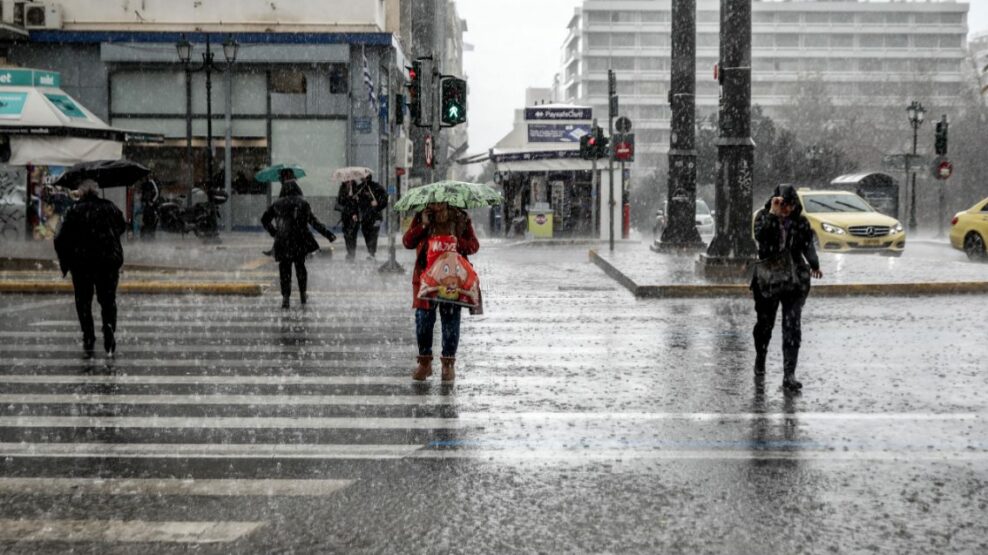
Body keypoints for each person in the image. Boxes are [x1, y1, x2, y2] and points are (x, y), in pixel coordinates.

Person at [751, 184, 823, 391]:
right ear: (775, 201)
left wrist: (814, 264)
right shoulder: (764, 217)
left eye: (791, 205)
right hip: (768, 279)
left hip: (794, 280)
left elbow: (808, 244)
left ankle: (789, 374)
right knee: (765, 324)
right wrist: (773, 215)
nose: (787, 209)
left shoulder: (800, 222)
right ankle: (760, 357)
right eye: (783, 204)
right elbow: (761, 238)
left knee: (792, 326)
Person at [403, 202, 479, 382]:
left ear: (447, 201)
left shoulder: (460, 218)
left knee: (450, 320)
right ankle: (425, 363)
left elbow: (474, 246)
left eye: (441, 202)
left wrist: (456, 241)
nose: (437, 205)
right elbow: (407, 242)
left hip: (452, 278)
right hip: (425, 278)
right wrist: (423, 225)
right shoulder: (423, 215)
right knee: (423, 320)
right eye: (434, 202)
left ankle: (448, 364)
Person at [54, 180, 127, 357]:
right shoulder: (109, 207)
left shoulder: (73, 211)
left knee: (83, 301)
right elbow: (122, 226)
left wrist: (66, 262)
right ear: (95, 191)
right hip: (107, 263)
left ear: (81, 192)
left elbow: (60, 239)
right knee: (108, 300)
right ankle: (109, 326)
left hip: (81, 264)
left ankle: (88, 334)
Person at [261, 171, 336, 309]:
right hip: (299, 241)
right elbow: (314, 222)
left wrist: (275, 233)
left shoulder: (277, 204)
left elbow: (264, 220)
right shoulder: (303, 203)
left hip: (283, 241)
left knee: (285, 270)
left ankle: (285, 298)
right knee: (300, 268)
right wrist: (328, 235)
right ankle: (302, 294)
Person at [357, 173, 387, 260]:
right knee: (366, 233)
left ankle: (372, 252)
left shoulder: (376, 187)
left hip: (375, 216)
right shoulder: (360, 188)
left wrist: (378, 204)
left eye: (365, 177)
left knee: (373, 234)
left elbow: (385, 198)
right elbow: (357, 203)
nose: (363, 179)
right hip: (365, 216)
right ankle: (370, 250)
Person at [336, 179, 361, 261]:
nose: (348, 182)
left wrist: (356, 198)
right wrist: (347, 197)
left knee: (353, 235)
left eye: (350, 181)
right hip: (346, 216)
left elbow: (359, 203)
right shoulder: (342, 188)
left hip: (355, 216)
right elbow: (339, 201)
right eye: (347, 181)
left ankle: (352, 253)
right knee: (346, 235)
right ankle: (349, 252)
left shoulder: (356, 188)